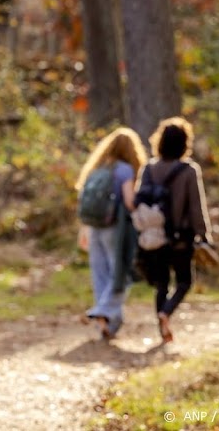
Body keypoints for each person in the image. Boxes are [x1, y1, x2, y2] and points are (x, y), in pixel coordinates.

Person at [140, 116, 214, 344]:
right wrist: (205, 236)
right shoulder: (189, 171)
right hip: (181, 237)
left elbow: (140, 201)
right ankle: (167, 312)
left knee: (162, 283)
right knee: (184, 281)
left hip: (155, 236)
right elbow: (196, 207)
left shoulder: (149, 169)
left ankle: (162, 325)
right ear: (184, 143)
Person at [75, 127, 147, 340]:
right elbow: (129, 202)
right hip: (115, 229)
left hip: (94, 226)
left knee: (100, 274)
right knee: (121, 274)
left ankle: (108, 323)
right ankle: (103, 311)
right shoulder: (124, 170)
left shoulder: (97, 168)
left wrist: (84, 230)